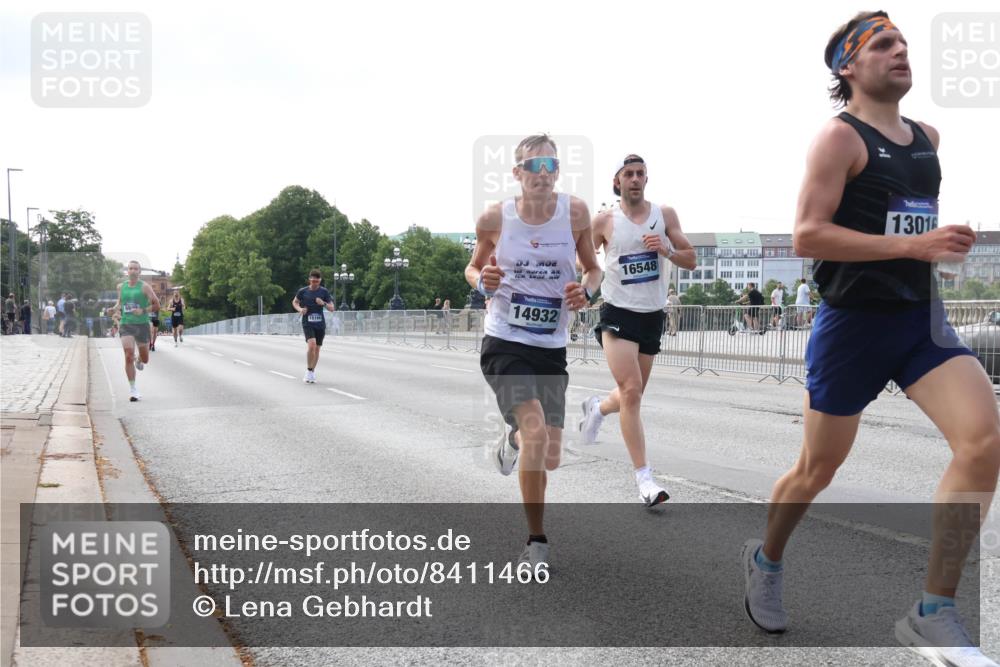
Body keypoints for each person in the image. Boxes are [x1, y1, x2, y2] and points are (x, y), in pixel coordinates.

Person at [740, 13, 999, 667]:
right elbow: (807, 235)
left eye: (905, 42)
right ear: (847, 68)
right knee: (816, 469)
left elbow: (910, 224)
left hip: (921, 321)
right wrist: (915, 243)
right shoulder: (838, 138)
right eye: (884, 44)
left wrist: (939, 245)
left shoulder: (928, 138)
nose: (902, 51)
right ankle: (766, 556)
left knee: (984, 440)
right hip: (852, 325)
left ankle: (933, 609)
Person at [466, 134, 601, 567]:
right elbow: (473, 267)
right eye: (533, 166)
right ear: (517, 172)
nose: (542, 174)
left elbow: (594, 269)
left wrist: (586, 290)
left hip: (550, 344)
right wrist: (480, 280)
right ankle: (536, 542)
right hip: (505, 338)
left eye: (550, 166)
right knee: (537, 434)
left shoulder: (576, 213)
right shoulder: (495, 218)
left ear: (558, 171)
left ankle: (512, 440)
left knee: (551, 455)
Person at [578, 155, 696, 506]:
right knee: (630, 391)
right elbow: (582, 260)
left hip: (651, 315)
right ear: (617, 182)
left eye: (640, 173)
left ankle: (597, 408)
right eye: (628, 174)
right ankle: (645, 480)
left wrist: (667, 249)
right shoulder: (603, 221)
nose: (635, 178)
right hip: (617, 313)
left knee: (632, 395)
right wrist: (581, 288)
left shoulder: (665, 215)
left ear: (647, 179)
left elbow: (690, 258)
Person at [107, 260, 161, 402]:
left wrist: (143, 310)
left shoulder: (145, 287)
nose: (132, 271)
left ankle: (139, 359)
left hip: (142, 325)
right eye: (130, 268)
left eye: (135, 269)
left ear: (139, 272)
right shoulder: (121, 287)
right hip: (126, 324)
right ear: (127, 271)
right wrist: (114, 308)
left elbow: (156, 305)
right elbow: (120, 303)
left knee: (145, 359)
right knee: (128, 355)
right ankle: (133, 390)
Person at [292, 269, 335, 383]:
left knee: (317, 349)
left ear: (320, 280)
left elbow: (332, 308)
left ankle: (311, 372)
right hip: (308, 323)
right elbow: (295, 302)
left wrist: (324, 303)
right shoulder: (303, 291)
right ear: (309, 280)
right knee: (311, 345)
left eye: (317, 281)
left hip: (320, 324)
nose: (315, 283)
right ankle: (308, 370)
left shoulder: (324, 292)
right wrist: (300, 309)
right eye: (313, 281)